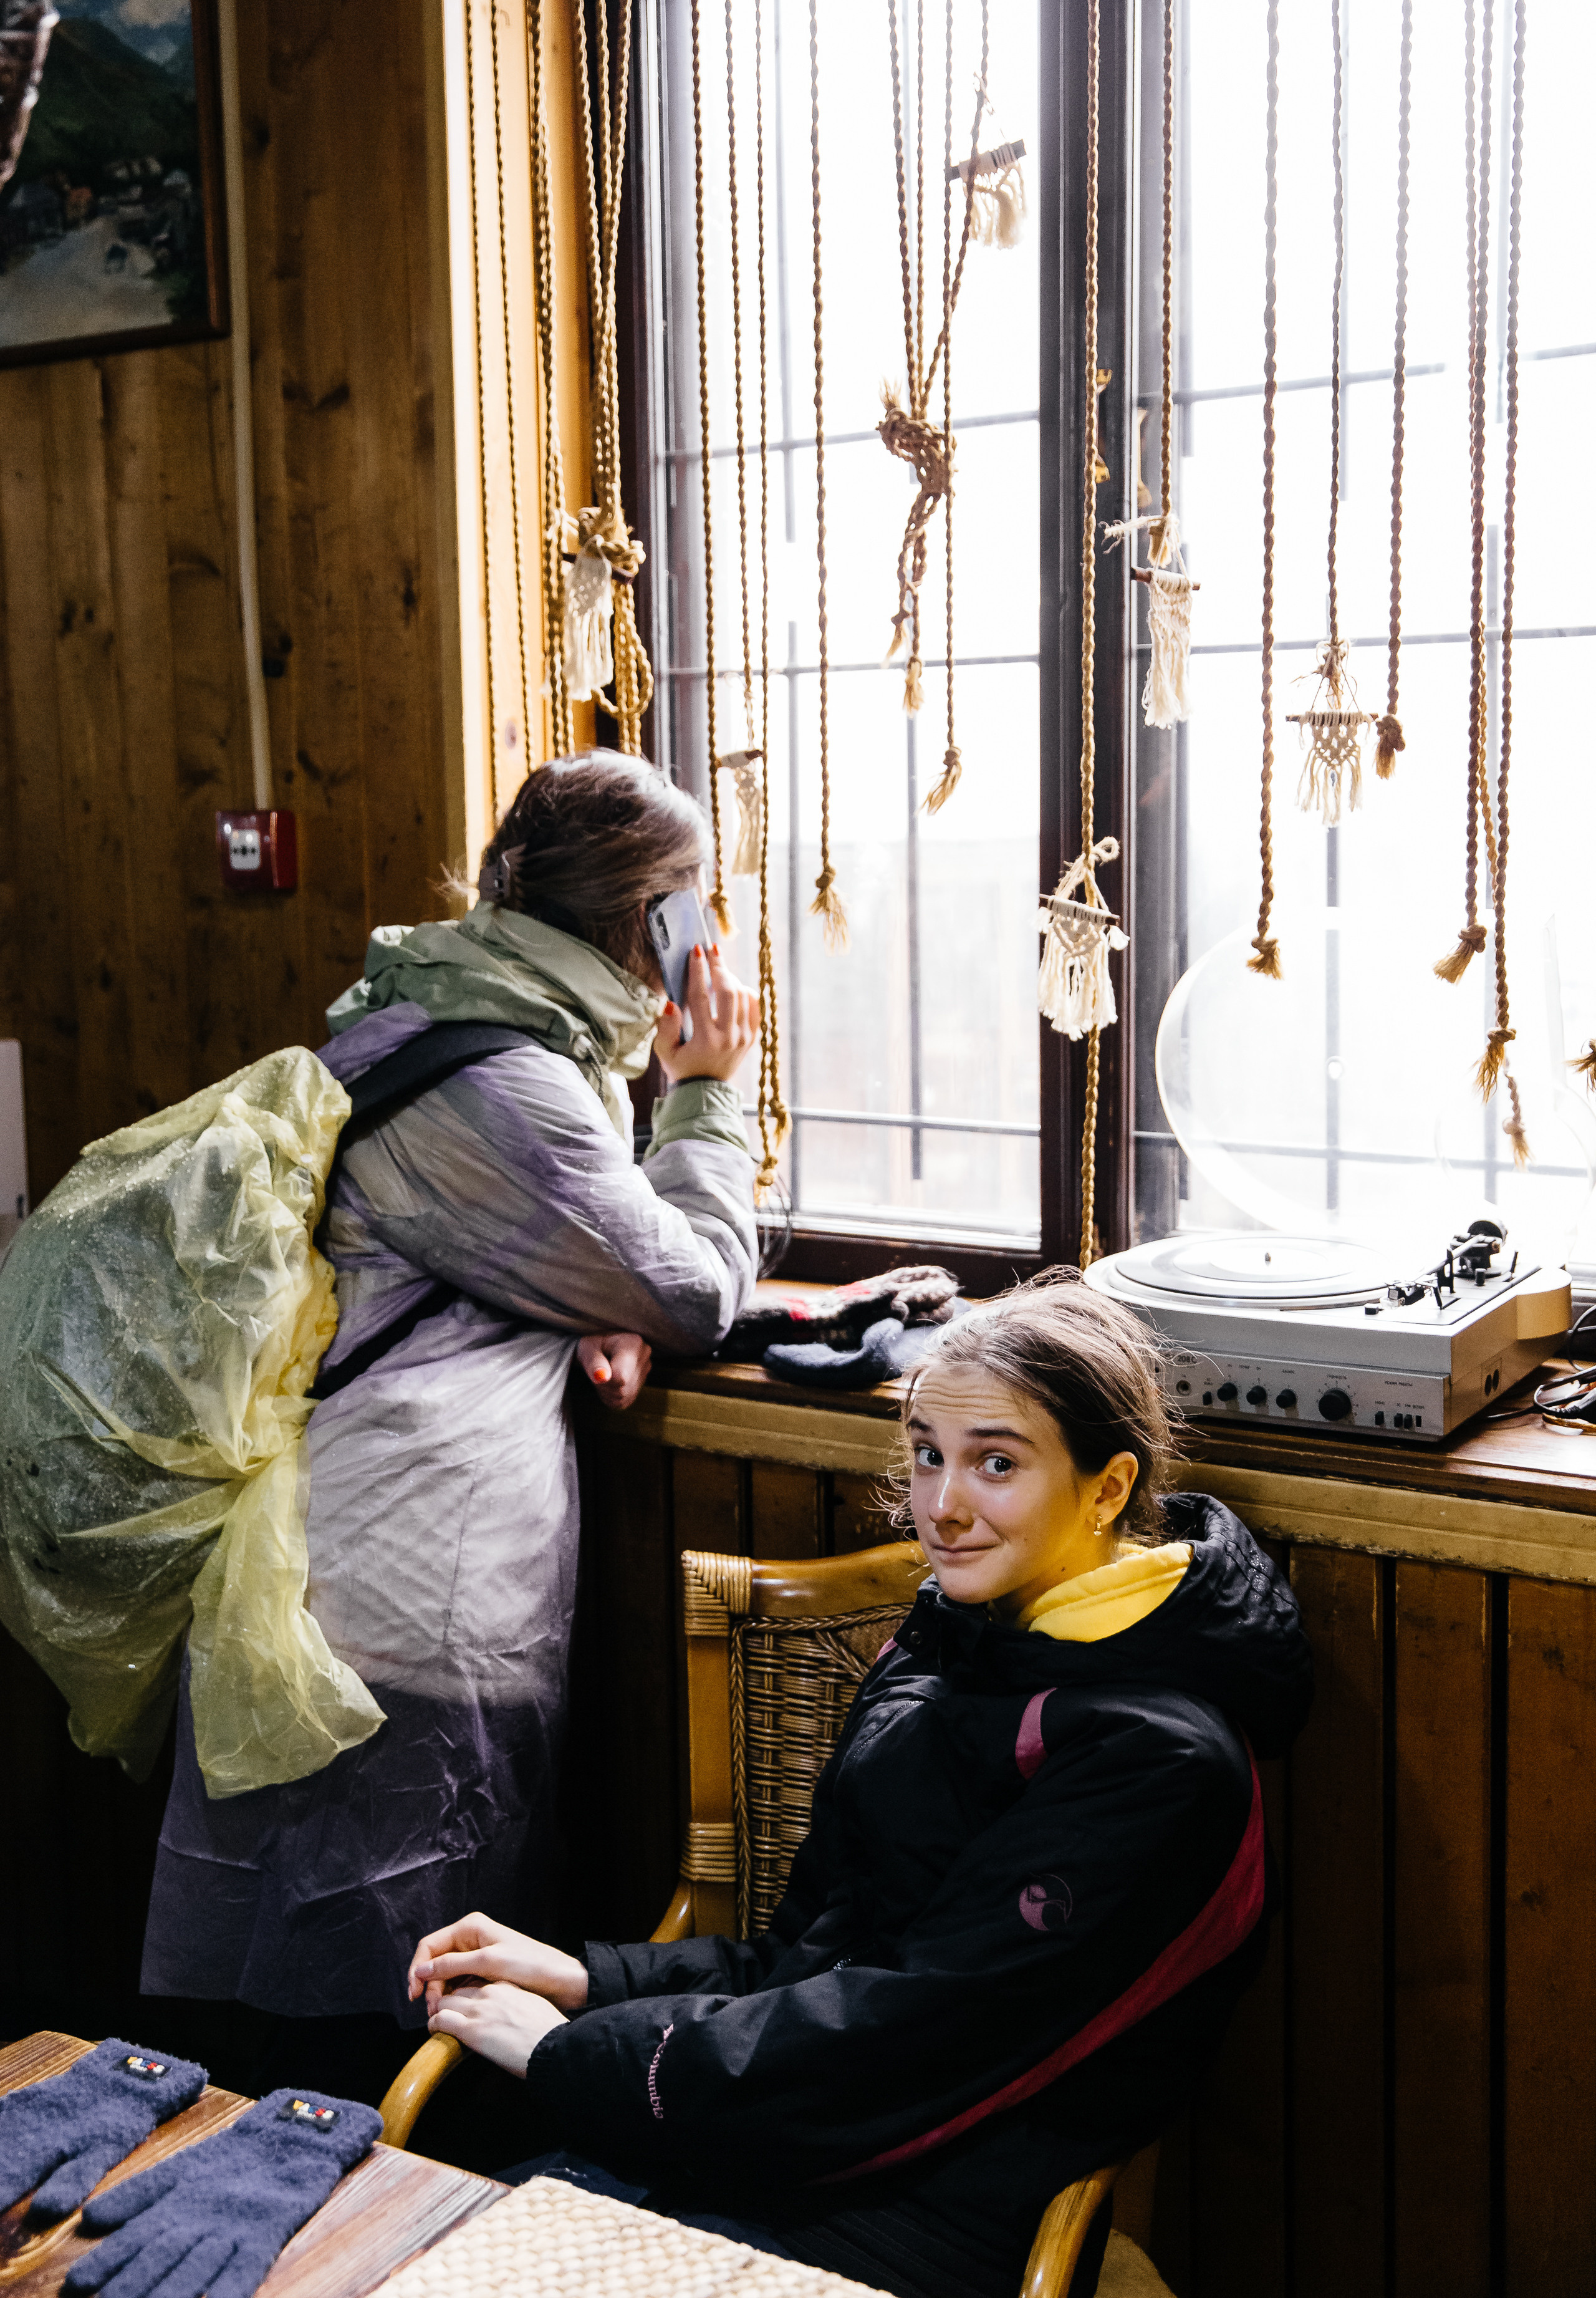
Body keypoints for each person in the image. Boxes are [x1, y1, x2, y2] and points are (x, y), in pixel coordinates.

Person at [406, 1272, 1312, 2298]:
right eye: (929, 1454)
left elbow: (913, 2035)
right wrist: (591, 1980)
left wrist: (578, 2057)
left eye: (997, 1465)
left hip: (926, 2207)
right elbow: (815, 1955)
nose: (943, 1507)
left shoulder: (1161, 1760)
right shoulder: (958, 1642)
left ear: (1108, 1489)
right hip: (801, 2139)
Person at [138, 750, 761, 2098]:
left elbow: (531, 1251)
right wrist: (710, 1087)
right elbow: (695, 1291)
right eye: (699, 904)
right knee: (384, 2018)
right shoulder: (517, 1085)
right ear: (657, 923)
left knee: (304, 1997)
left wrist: (576, 1301)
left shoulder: (415, 1014)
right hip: (407, 1594)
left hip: (320, 1562)